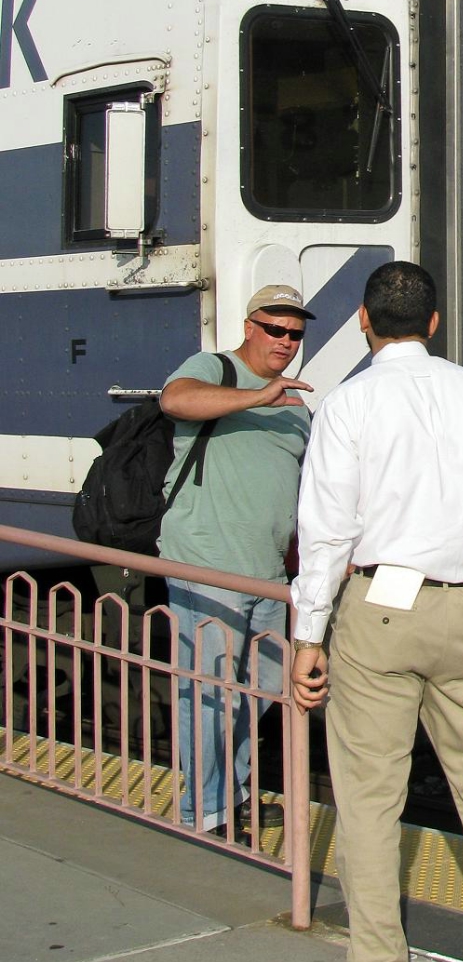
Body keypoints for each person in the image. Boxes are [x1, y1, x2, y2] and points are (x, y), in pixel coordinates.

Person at [290, 261, 463, 962]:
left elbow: (326, 534)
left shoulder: (348, 404)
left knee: (372, 794)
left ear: (364, 324)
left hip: (380, 608)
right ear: (434, 323)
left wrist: (309, 636)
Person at [159, 284, 314, 833]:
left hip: (268, 572)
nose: (286, 341)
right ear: (250, 326)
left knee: (260, 690)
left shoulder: (298, 406)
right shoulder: (216, 368)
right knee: (208, 693)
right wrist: (257, 397)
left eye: (295, 333)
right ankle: (204, 812)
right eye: (275, 329)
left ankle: (234, 795)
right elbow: (174, 400)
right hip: (207, 562)